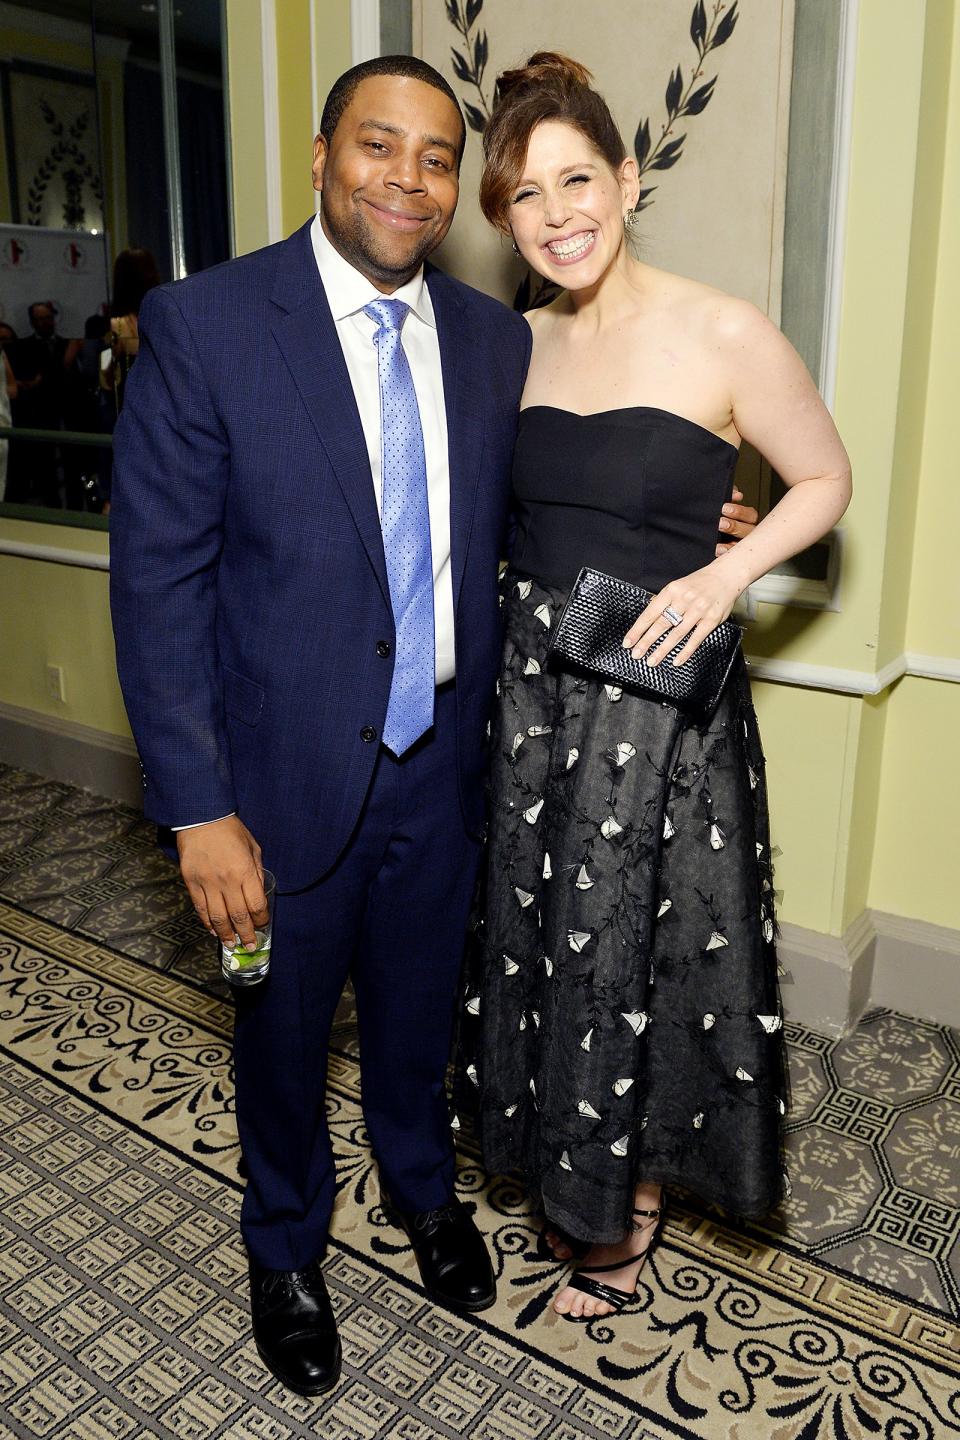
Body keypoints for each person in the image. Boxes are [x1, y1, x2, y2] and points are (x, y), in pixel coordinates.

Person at [109, 55, 759, 1395]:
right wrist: (194, 808)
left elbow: (551, 499)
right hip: (277, 789)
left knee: (420, 1022)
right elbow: (158, 585)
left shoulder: (490, 339)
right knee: (283, 1039)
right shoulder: (210, 325)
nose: (406, 179)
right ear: (320, 155)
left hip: (452, 774)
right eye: (376, 146)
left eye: (434, 159)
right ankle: (284, 1247)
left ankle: (424, 1197)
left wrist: (688, 518)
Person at [461, 54, 852, 1323]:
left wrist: (728, 569)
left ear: (628, 179)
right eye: (525, 194)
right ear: (504, 217)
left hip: (652, 703)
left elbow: (823, 480)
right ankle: (554, 1162)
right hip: (530, 695)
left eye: (578, 177)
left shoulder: (723, 327)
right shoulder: (506, 345)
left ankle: (625, 1207)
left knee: (640, 951)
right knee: (540, 942)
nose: (557, 211)